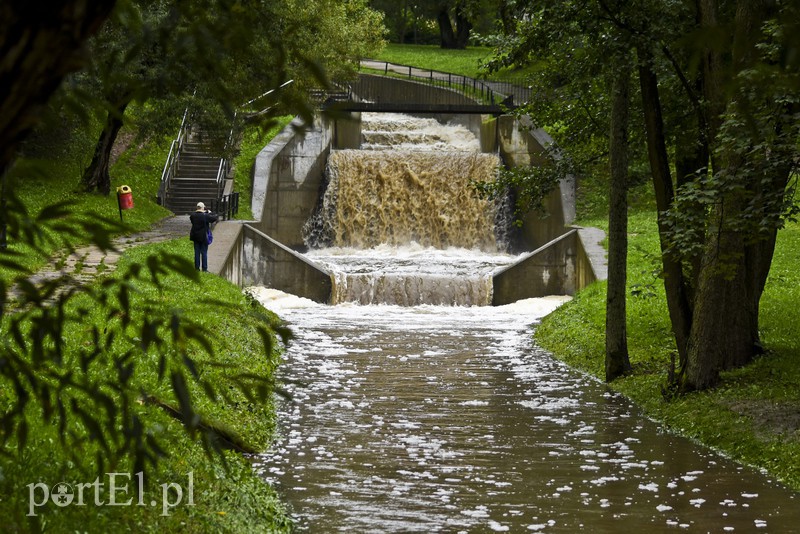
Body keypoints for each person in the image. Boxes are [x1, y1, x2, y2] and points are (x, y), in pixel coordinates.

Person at [189, 201, 219, 272]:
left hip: (195, 236)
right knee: (204, 252)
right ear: (203, 208)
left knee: (197, 252)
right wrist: (210, 212)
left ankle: (197, 268)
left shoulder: (192, 215)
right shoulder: (205, 216)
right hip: (203, 236)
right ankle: (204, 268)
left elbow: (194, 219)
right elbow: (214, 218)